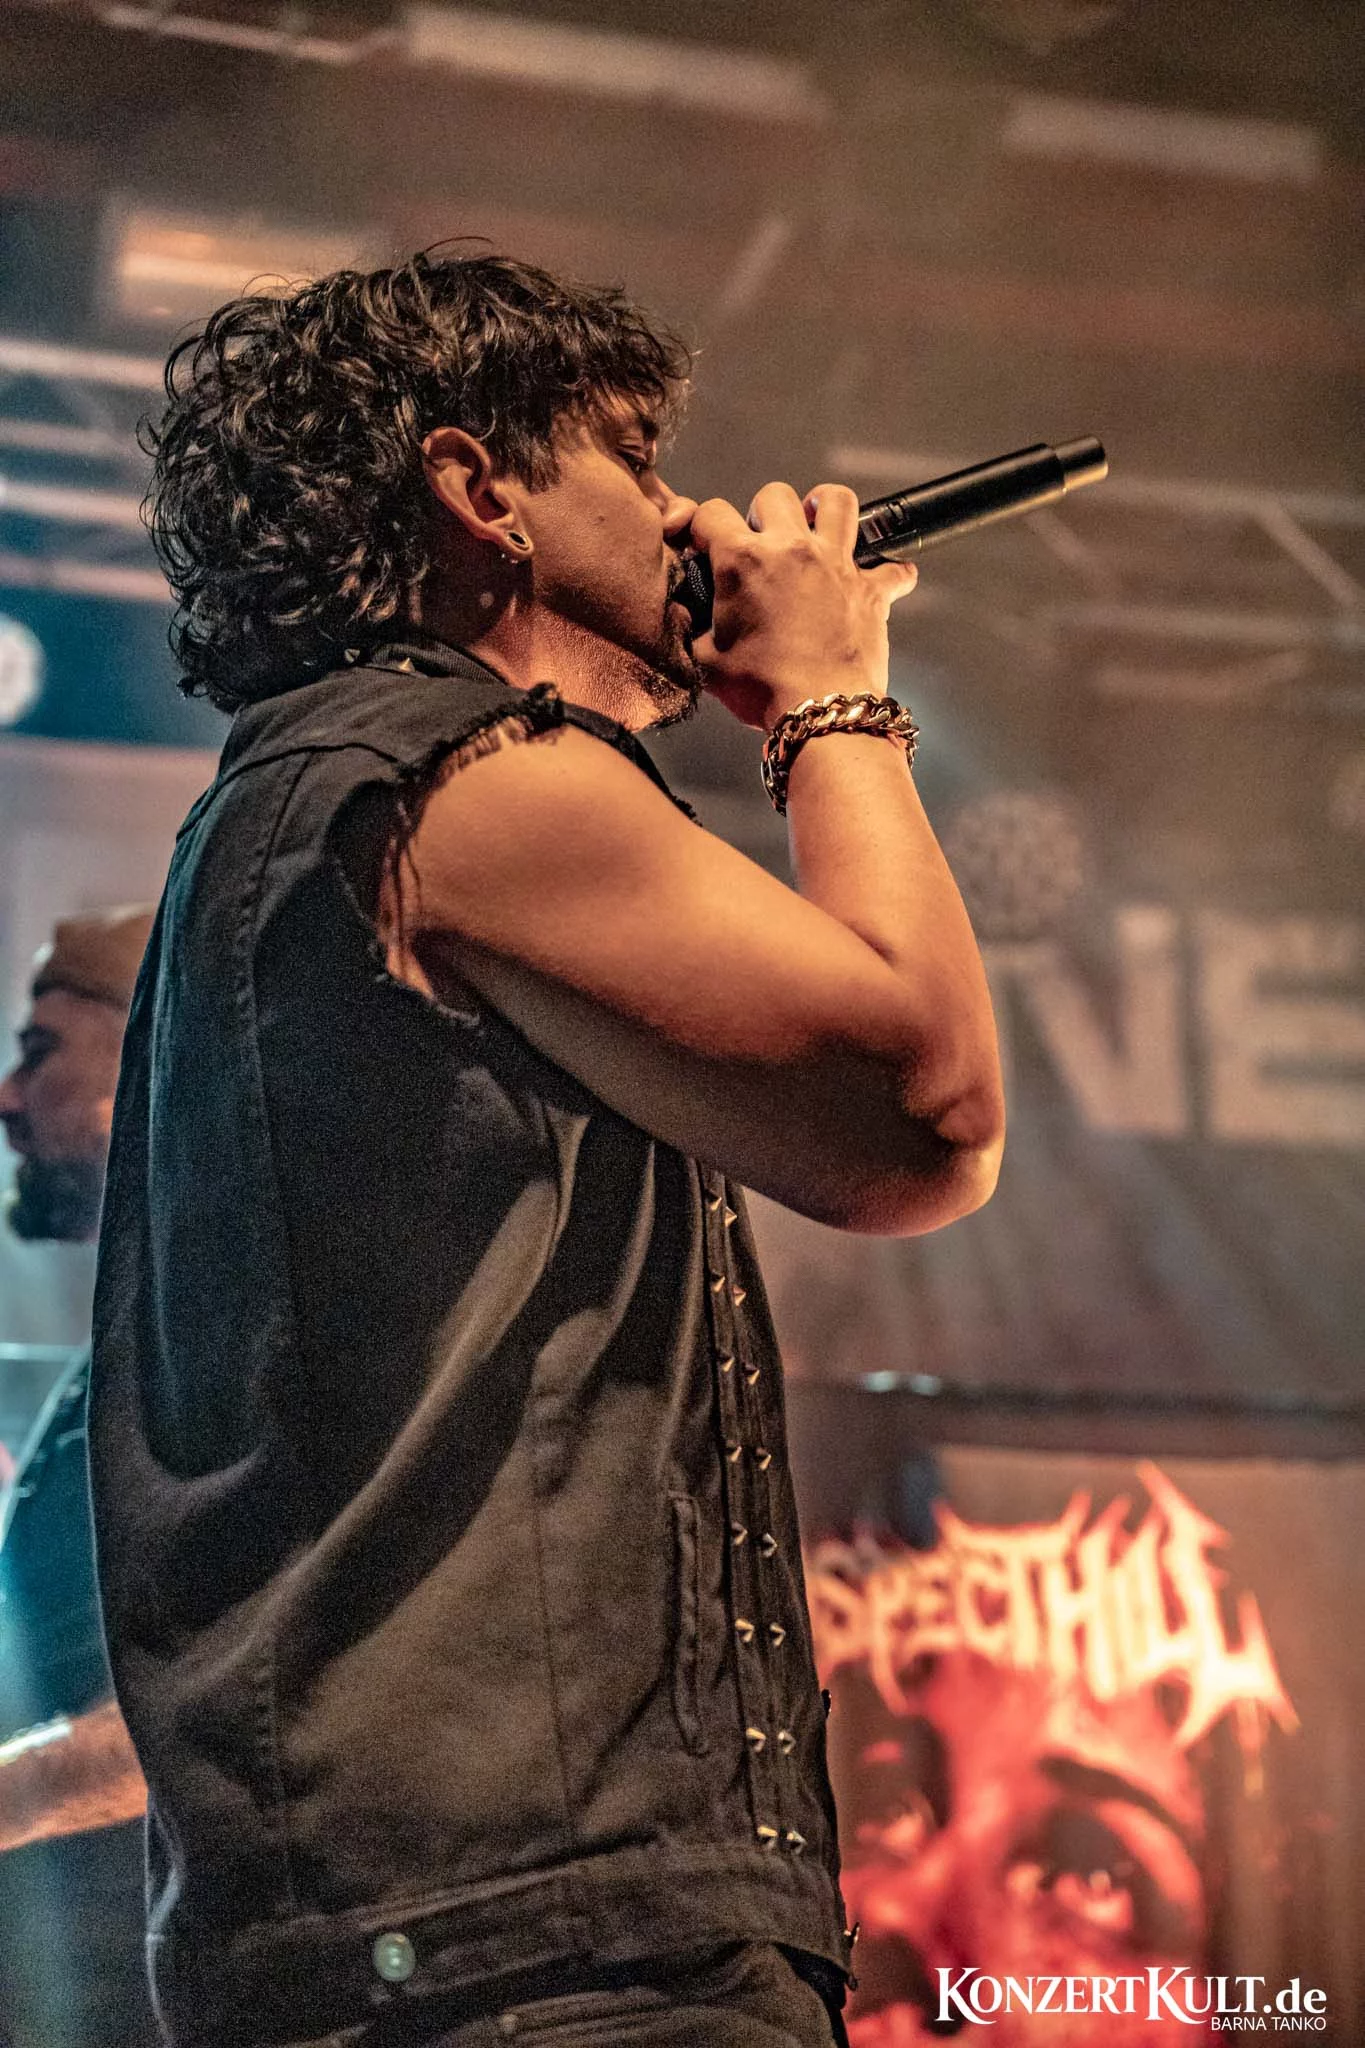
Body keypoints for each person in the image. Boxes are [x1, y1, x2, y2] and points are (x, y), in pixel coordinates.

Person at [88, 251, 1005, 2048]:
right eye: (635, 462)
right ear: (478, 488)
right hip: (547, 1950)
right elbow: (926, 1116)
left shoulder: (297, 797)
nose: (684, 516)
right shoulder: (462, 781)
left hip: (430, 1939)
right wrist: (833, 698)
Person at [0, 906, 159, 2047]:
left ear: (147, 1054)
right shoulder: (131, 1329)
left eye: (41, 1051)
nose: (8, 1097)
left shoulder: (219, 1326)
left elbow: (211, 1712)